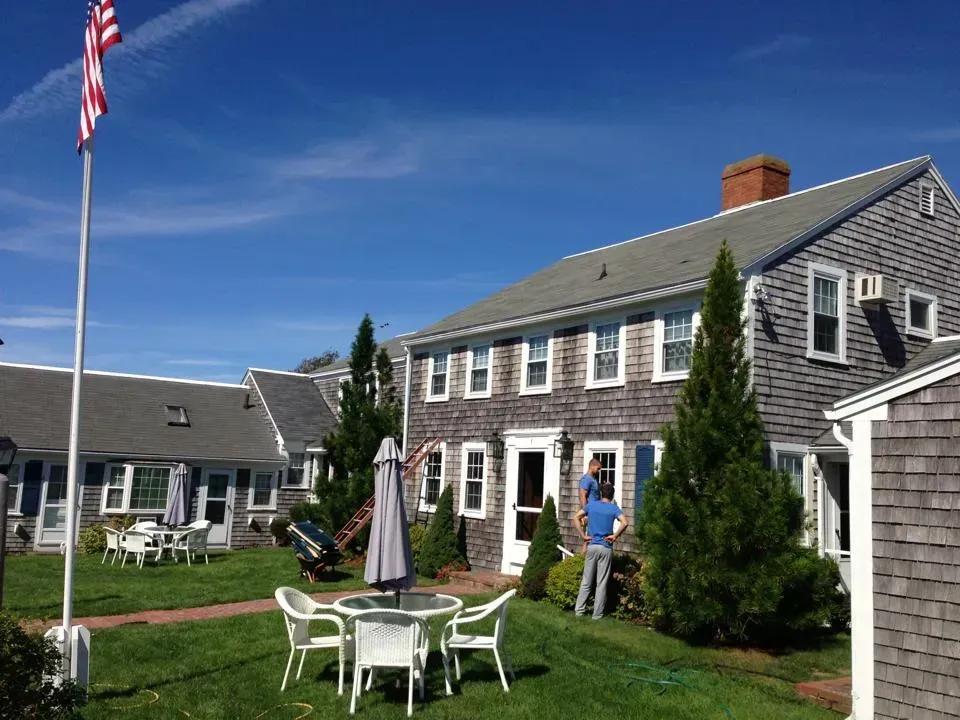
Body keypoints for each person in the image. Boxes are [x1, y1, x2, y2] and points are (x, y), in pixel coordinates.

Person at [571, 482, 628, 619]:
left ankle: (579, 611)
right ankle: (597, 615)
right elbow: (625, 522)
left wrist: (583, 536)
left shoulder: (592, 505)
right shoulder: (614, 508)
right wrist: (615, 535)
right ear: (612, 495)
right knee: (601, 583)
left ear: (601, 494)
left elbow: (575, 517)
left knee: (586, 580)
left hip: (592, 546)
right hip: (605, 547)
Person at [578, 458, 602, 552]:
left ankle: (588, 559)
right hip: (590, 512)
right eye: (598, 468)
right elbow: (582, 495)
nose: (599, 471)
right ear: (592, 466)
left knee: (592, 535)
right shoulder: (586, 479)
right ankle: (583, 561)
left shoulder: (593, 479)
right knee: (588, 538)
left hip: (595, 511)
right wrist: (585, 513)